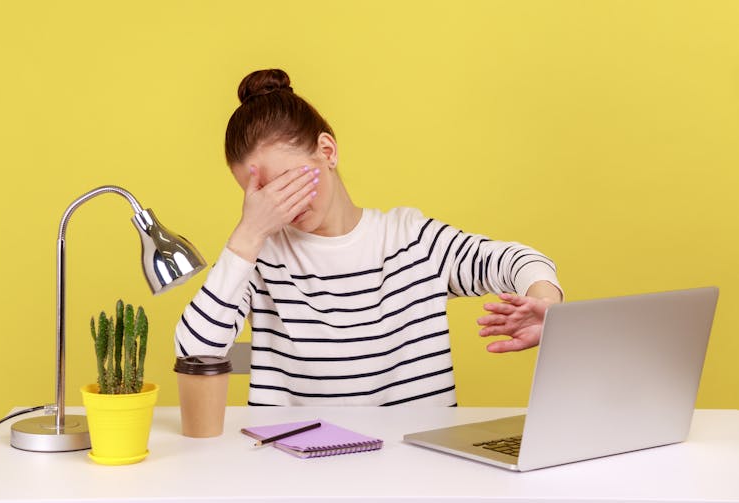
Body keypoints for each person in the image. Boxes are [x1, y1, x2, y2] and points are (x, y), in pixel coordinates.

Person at [175, 68, 563, 406]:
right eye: (259, 197)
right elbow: (193, 353)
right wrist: (248, 234)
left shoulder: (409, 238)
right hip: (296, 474)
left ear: (326, 151)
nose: (281, 207)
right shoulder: (259, 258)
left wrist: (545, 303)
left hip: (414, 473)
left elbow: (515, 260)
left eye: (287, 185)